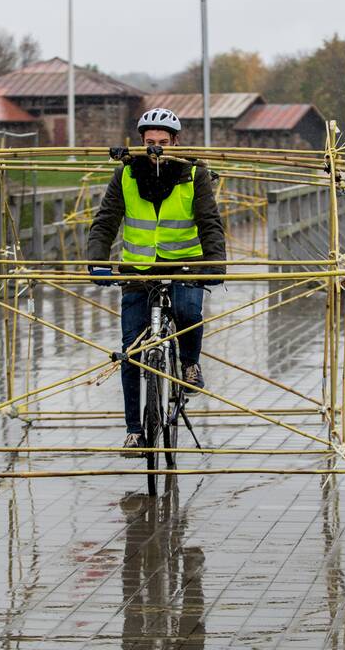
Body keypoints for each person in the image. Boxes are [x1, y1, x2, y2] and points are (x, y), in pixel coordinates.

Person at [87, 108, 226, 455]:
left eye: (163, 143)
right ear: (140, 142)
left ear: (176, 142)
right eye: (150, 143)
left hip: (184, 266)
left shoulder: (195, 173)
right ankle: (135, 430)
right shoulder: (127, 174)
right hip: (138, 271)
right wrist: (97, 262)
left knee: (188, 311)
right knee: (131, 350)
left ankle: (190, 364)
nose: (156, 150)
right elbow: (105, 221)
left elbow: (209, 222)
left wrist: (215, 263)